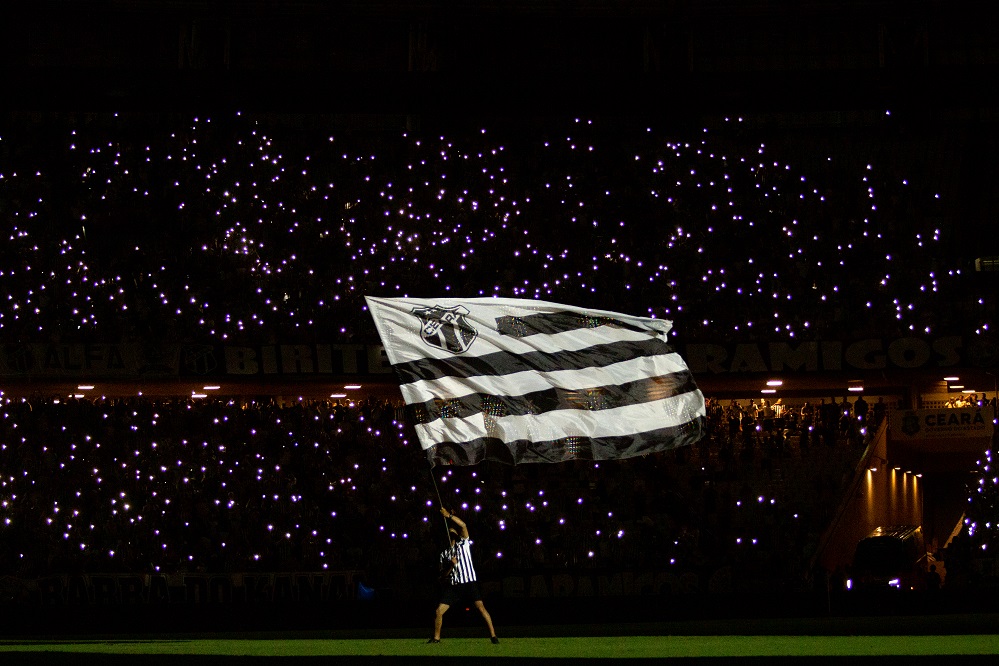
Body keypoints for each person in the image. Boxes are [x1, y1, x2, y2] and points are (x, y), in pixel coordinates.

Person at [429, 507, 499, 644]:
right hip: (455, 585)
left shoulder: (464, 543)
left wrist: (449, 516)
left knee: (481, 608)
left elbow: (463, 525)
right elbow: (442, 576)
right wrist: (451, 565)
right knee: (439, 611)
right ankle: (436, 638)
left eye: (453, 531)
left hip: (469, 582)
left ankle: (493, 636)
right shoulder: (444, 554)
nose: (451, 533)